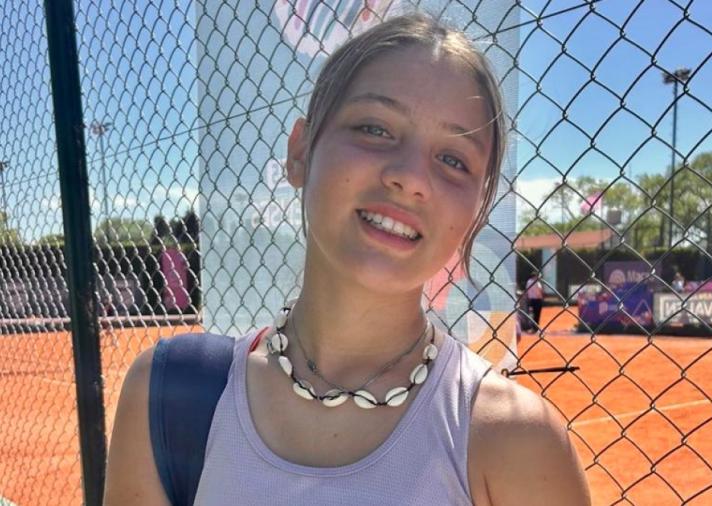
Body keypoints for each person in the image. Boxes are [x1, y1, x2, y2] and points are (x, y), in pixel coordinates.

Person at [103, 12, 590, 506]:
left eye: (453, 159)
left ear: (477, 208)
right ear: (300, 152)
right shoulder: (168, 394)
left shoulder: (520, 442)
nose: (410, 177)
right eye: (375, 128)